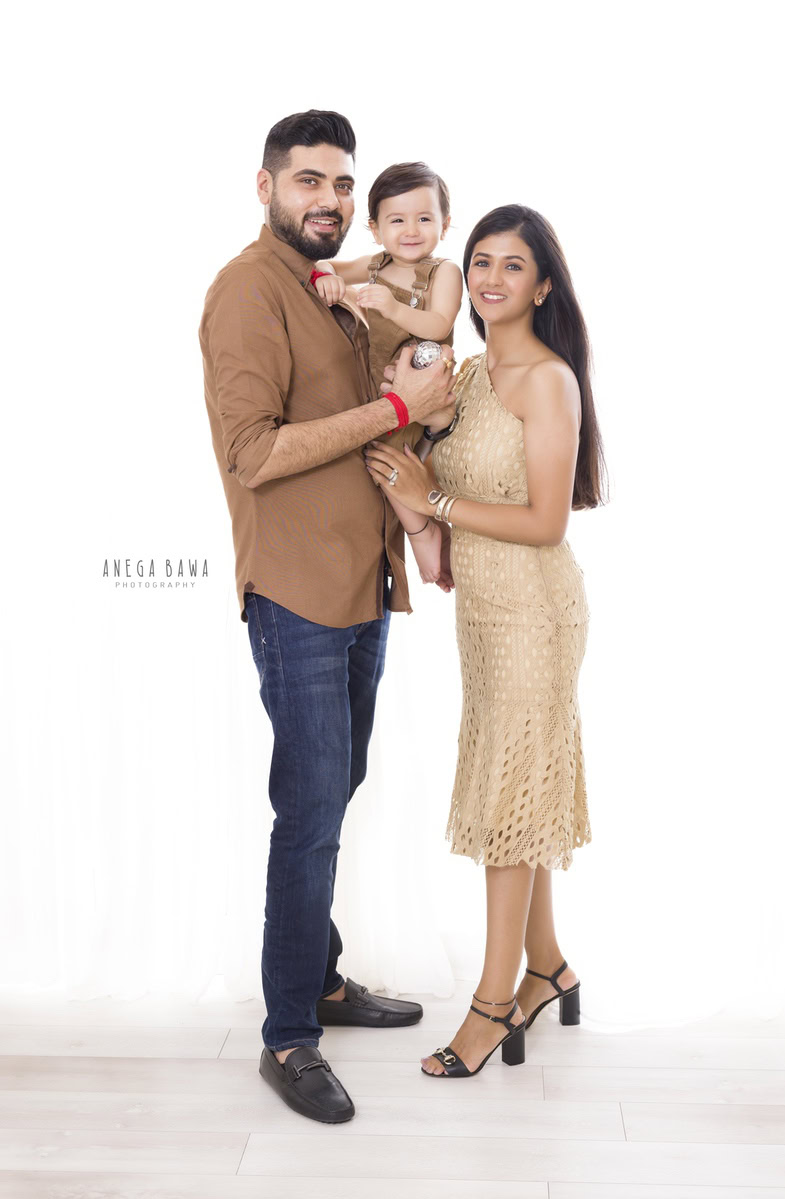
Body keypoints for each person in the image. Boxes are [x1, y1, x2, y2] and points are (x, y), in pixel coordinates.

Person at [199, 110, 456, 1122]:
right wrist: (398, 414)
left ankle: (322, 978)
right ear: (263, 186)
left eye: (342, 184)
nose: (330, 202)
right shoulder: (245, 292)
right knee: (309, 809)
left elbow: (428, 328)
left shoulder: (335, 286)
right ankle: (287, 1034)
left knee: (332, 785)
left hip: (364, 585)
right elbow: (254, 451)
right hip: (297, 594)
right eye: (308, 182)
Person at [365, 204, 607, 1078]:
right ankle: (548, 966)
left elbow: (545, 522)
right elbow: (411, 454)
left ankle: (493, 1001)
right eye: (479, 263)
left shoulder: (547, 381)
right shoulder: (464, 378)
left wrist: (436, 504)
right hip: (484, 616)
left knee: (509, 801)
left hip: (537, 614)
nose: (491, 279)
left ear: (542, 284)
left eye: (512, 266)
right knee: (521, 786)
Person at [313, 162, 462, 585]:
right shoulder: (376, 265)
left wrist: (394, 308)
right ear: (375, 228)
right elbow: (330, 267)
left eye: (424, 218)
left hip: (420, 383)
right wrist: (327, 276)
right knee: (368, 452)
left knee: (385, 457)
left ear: (444, 225)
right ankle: (417, 532)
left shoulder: (442, 272)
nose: (411, 230)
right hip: (379, 391)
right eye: (397, 220)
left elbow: (439, 322)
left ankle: (423, 536)